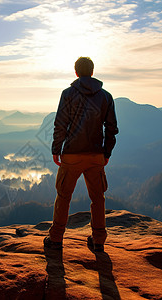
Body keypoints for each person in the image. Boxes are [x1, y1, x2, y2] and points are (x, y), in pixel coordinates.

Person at [44, 57, 119, 252]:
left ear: (76, 72)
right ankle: (99, 240)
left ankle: (56, 239)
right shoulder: (106, 97)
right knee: (98, 198)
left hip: (71, 154)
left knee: (63, 196)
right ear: (92, 72)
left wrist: (56, 150)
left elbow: (60, 123)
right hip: (95, 154)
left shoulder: (68, 94)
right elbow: (111, 128)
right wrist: (106, 152)